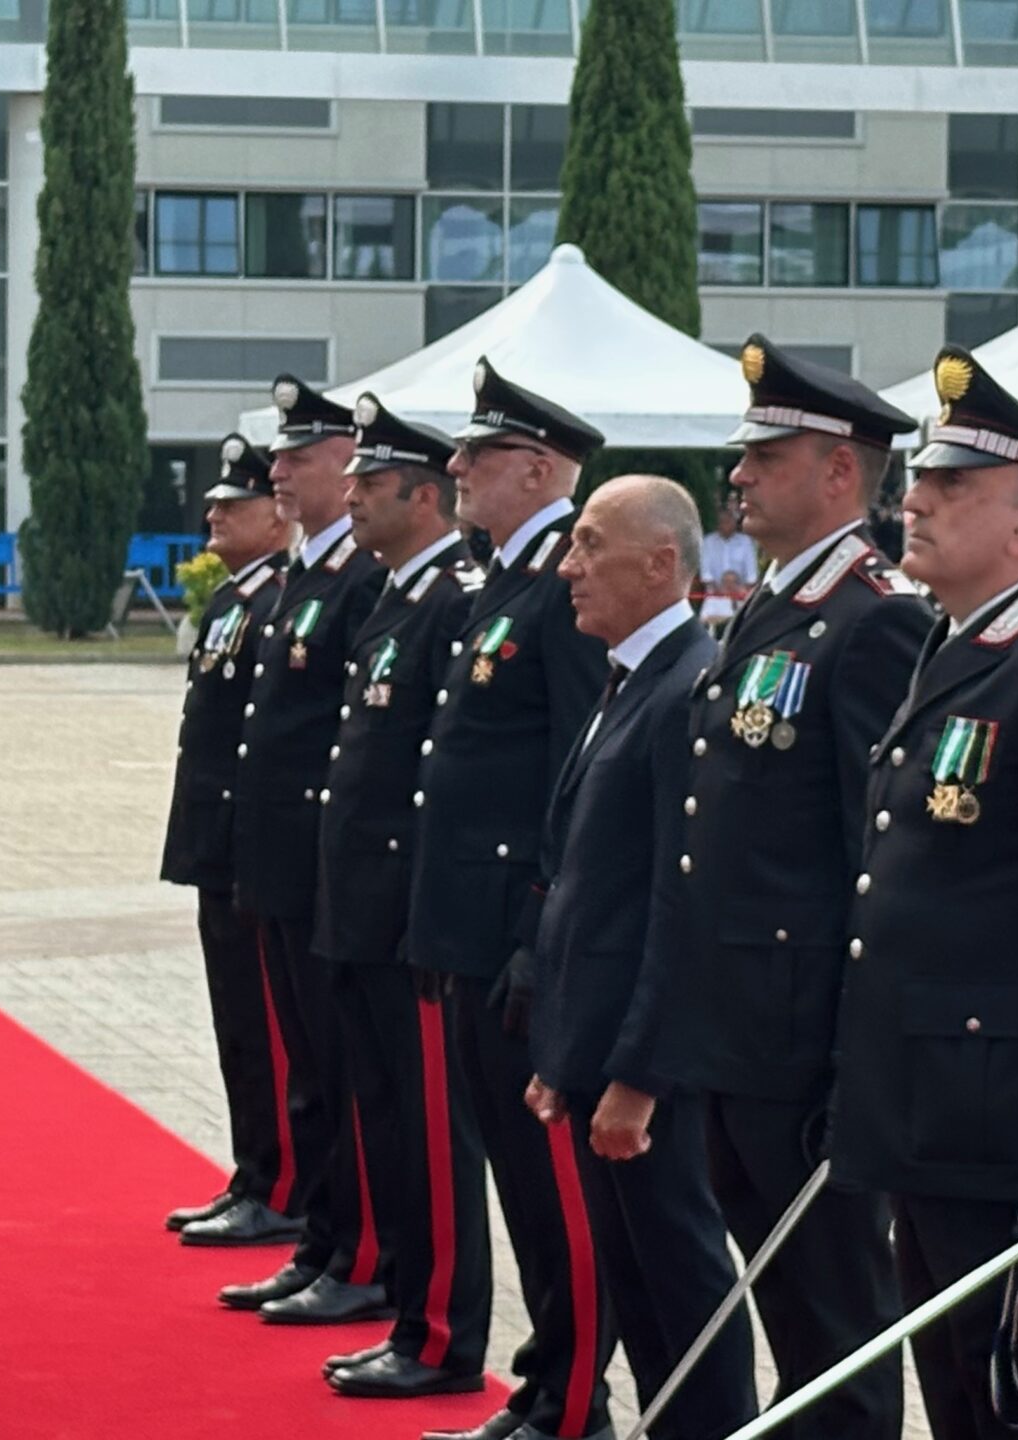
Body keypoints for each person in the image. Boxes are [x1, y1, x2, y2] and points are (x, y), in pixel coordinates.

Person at [830, 348, 1018, 1440]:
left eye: (950, 486)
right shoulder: (958, 650)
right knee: (958, 1397)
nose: (912, 499)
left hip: (1000, 1122)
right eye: (920, 479)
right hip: (928, 1107)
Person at [670, 335, 925, 1440]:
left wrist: (850, 1055)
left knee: (836, 1320)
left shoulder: (872, 621)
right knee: (788, 1307)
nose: (738, 475)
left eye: (765, 456)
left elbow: (872, 855)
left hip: (801, 1039)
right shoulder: (771, 609)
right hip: (737, 1031)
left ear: (837, 473)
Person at [410, 359, 614, 1440]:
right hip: (470, 933)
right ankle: (541, 1384)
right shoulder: (504, 583)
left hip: (516, 941)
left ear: (537, 468)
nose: (455, 469)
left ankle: (573, 1401)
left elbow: (575, 782)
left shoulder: (562, 590)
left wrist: (539, 931)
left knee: (554, 1191)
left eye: (477, 455)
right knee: (515, 1183)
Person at [523, 475, 738, 1439]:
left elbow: (678, 904)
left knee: (684, 1282)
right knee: (639, 1286)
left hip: (647, 1071)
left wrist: (638, 1076)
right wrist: (560, 1052)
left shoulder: (689, 686)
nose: (568, 566)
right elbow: (581, 884)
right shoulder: (625, 679)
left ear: (662, 564)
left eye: (588, 545)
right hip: (596, 1051)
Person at [310, 397, 485, 1400]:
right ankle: (404, 1308)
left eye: (371, 486)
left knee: (427, 1131)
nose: (354, 499)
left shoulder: (452, 601)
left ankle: (441, 1334)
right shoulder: (391, 597)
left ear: (423, 498)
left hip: (407, 908)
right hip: (362, 901)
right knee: (381, 1112)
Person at [213, 376, 394, 1324]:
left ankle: (356, 1252)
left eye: (297, 455)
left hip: (326, 871)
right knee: (314, 1077)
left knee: (339, 1074)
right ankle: (324, 1239)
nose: (279, 472)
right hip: (281, 864)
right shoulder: (307, 577)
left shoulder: (360, 579)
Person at [162, 436, 302, 1245]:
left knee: (268, 1028)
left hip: (253, 844)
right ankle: (253, 1170)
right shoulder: (229, 603)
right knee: (236, 1025)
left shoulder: (279, 600)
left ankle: (279, 1184)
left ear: (276, 518)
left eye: (234, 502)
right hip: (218, 840)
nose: (214, 512)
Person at [699, 502, 756, 627]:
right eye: (721, 521)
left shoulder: (745, 542)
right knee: (708, 625)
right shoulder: (708, 542)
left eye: (728, 521)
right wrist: (722, 591)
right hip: (715, 595)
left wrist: (737, 590)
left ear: (735, 523)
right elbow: (706, 574)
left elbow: (752, 576)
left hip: (740, 594)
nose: (724, 524)